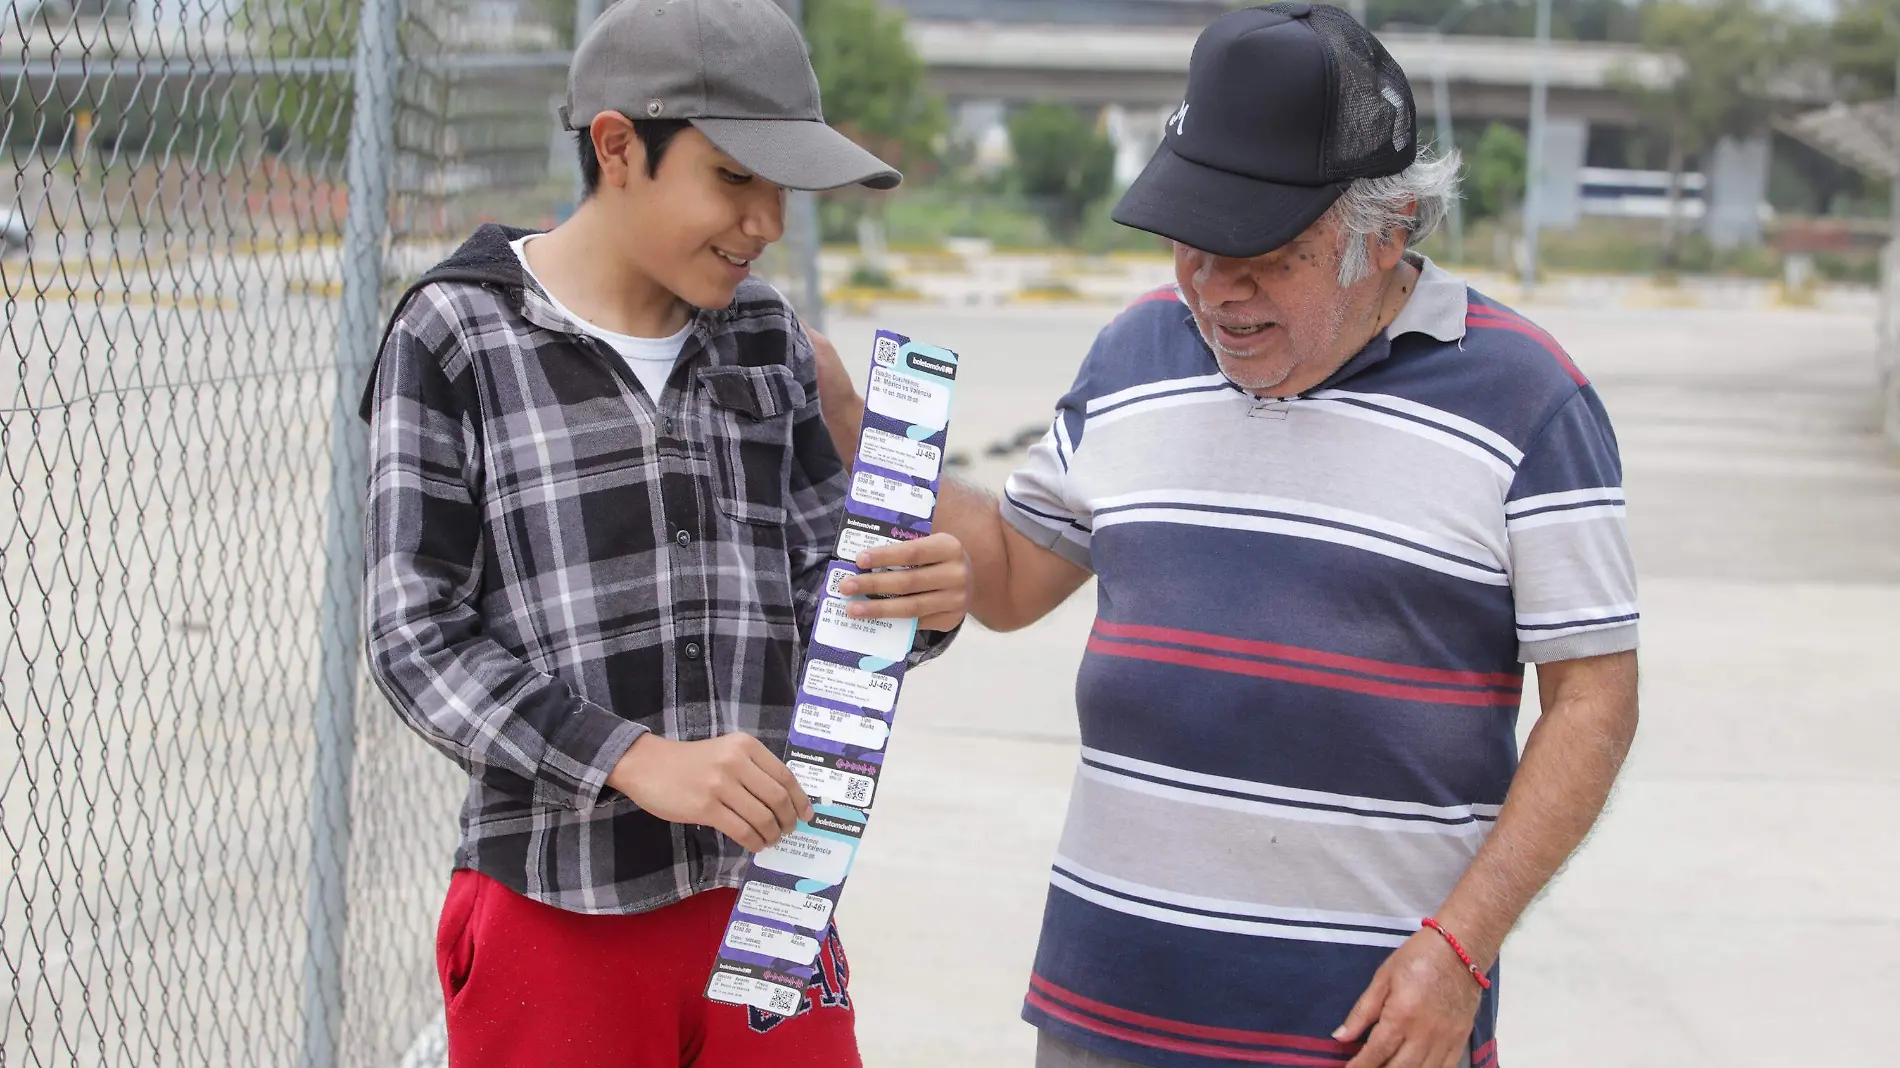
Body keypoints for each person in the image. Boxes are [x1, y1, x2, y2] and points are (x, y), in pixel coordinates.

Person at [815, 6, 1639, 1067]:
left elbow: (1595, 699)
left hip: (1375, 1031)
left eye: (1268, 256)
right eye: (1191, 251)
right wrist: (853, 426)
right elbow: (1014, 577)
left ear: (1385, 233)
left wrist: (1460, 952)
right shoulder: (1133, 356)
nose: (1215, 291)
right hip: (1107, 1015)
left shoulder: (1526, 400)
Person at [358, 2, 970, 1065]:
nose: (766, 221)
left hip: (773, 897)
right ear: (616, 146)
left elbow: (828, 583)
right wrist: (630, 758)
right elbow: (417, 639)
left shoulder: (767, 337)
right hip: (559, 907)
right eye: (734, 177)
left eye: (780, 187)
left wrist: (910, 605)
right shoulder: (454, 334)